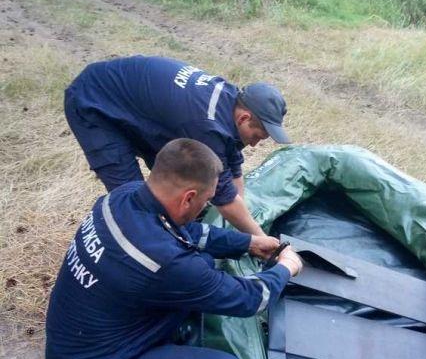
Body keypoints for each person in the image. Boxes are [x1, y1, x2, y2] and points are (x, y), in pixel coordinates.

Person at [45, 138, 302, 359]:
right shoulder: (163, 262)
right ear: (188, 198)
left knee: (200, 272)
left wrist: (245, 243)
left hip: (77, 342)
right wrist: (286, 269)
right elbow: (249, 299)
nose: (205, 209)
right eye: (206, 202)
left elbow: (185, 234)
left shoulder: (124, 198)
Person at [64, 55, 291, 236]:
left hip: (135, 105)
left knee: (174, 186)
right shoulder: (207, 126)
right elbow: (225, 200)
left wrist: (241, 216)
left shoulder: (230, 101)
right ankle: (139, 250)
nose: (254, 144)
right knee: (135, 198)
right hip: (94, 101)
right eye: (257, 136)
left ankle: (164, 232)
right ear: (244, 118)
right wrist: (261, 241)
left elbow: (233, 170)